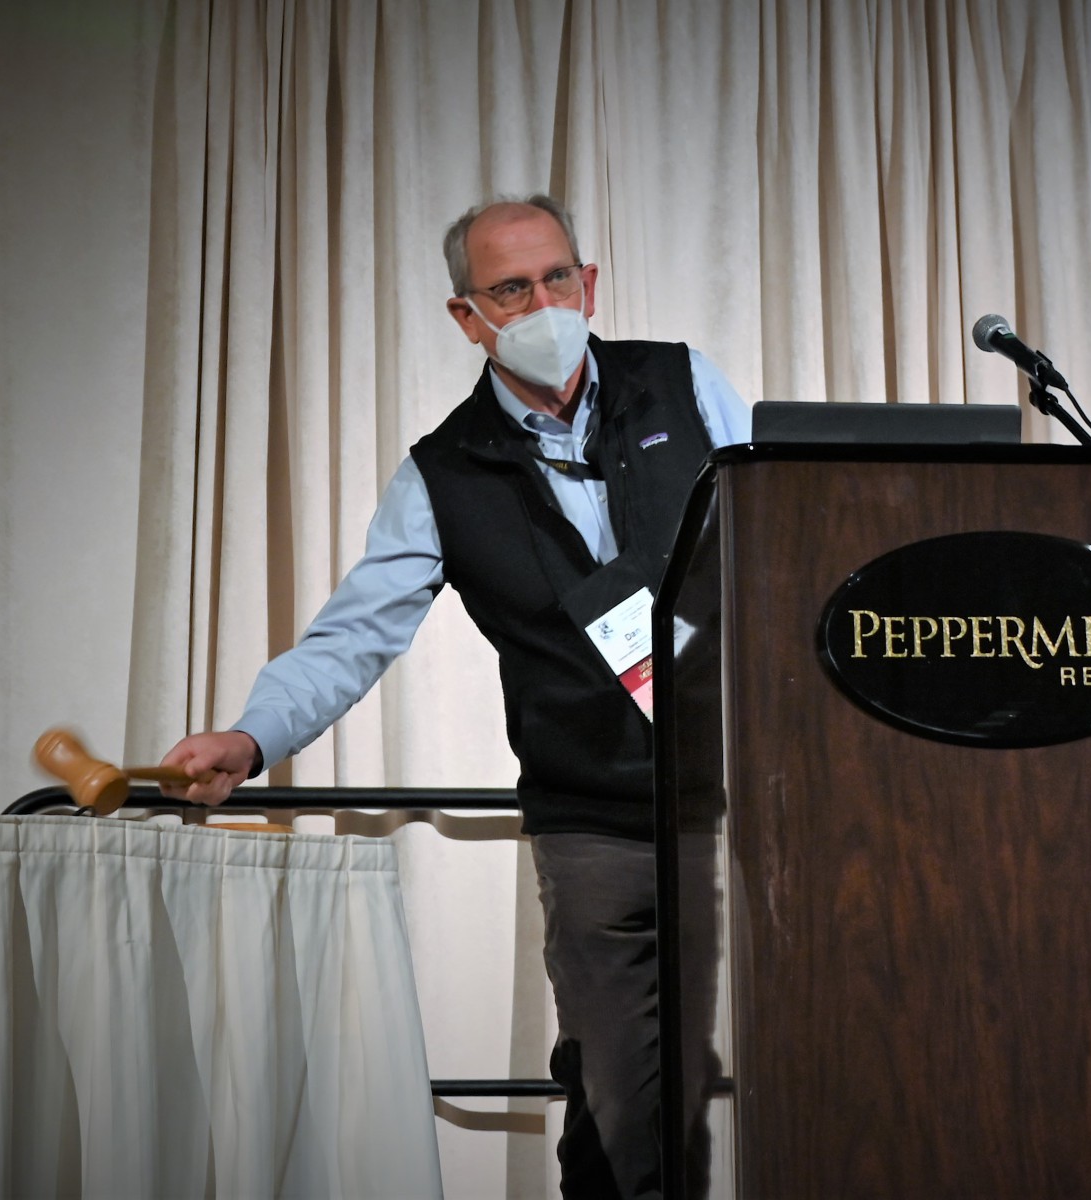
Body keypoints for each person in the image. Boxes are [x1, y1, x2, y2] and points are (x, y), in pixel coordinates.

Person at [160, 193, 748, 1199]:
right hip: (591, 823)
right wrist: (251, 737)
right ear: (466, 317)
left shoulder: (683, 382)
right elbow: (354, 635)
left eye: (557, 278)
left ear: (589, 284)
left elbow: (779, 532)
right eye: (510, 290)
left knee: (754, 1072)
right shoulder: (441, 471)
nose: (542, 305)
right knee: (619, 1095)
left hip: (737, 800)